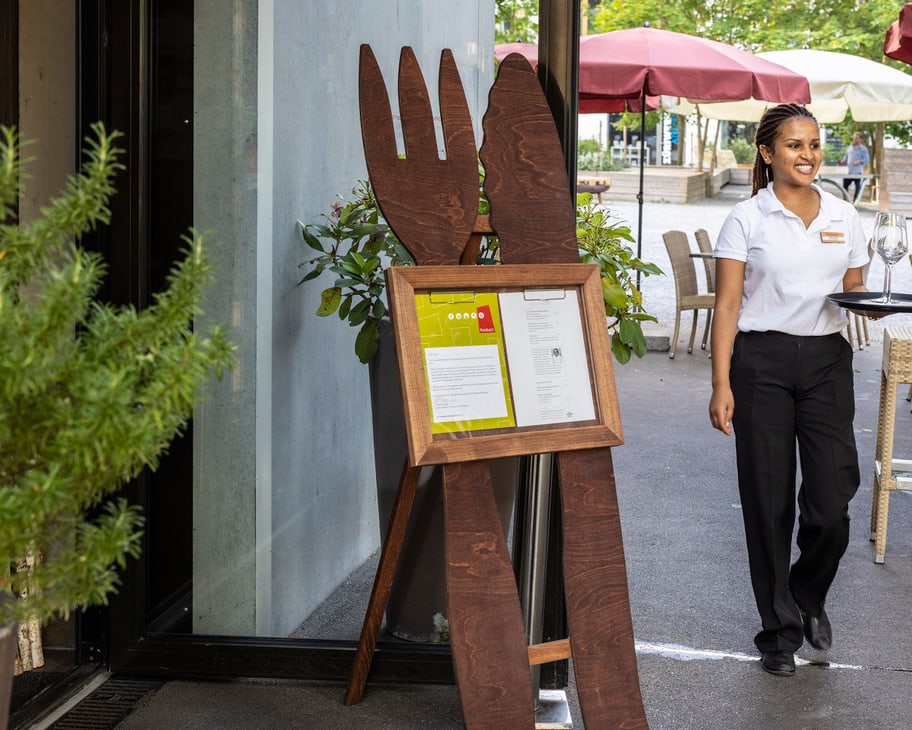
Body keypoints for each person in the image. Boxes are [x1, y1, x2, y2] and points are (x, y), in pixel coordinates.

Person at [708, 104, 873, 678]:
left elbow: (852, 283)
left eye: (814, 144)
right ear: (768, 153)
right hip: (762, 364)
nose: (808, 155)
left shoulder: (846, 215)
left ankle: (807, 591)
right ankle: (778, 632)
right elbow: (727, 306)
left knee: (832, 502)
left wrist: (865, 295)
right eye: (794, 145)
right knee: (767, 501)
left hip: (828, 359)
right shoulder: (747, 218)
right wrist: (721, 382)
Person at [839, 132, 870, 202]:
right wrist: (841, 162)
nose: (855, 139)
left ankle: (855, 201)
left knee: (857, 187)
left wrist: (860, 161)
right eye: (854, 138)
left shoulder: (863, 149)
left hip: (858, 172)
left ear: (860, 139)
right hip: (849, 172)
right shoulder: (850, 147)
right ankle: (845, 200)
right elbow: (846, 159)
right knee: (844, 186)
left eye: (856, 138)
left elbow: (867, 159)